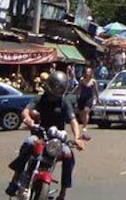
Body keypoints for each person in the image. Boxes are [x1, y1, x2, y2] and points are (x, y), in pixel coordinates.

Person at [5, 71, 86, 199]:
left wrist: (77, 137)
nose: (56, 90)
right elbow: (26, 111)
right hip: (40, 135)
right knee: (29, 143)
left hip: (57, 140)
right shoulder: (39, 99)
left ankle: (63, 193)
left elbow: (73, 121)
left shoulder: (64, 102)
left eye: (59, 88)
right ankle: (15, 180)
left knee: (69, 155)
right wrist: (29, 120)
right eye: (55, 87)